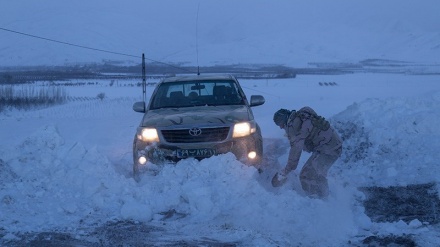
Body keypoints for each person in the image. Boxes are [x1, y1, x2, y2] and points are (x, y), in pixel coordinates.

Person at [272, 106, 342, 198]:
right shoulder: (302, 116)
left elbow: (296, 151)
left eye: (280, 124)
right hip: (333, 146)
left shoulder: (294, 126)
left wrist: (285, 171)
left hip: (328, 150)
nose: (281, 128)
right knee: (317, 174)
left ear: (285, 120)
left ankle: (314, 201)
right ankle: (326, 196)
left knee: (306, 175)